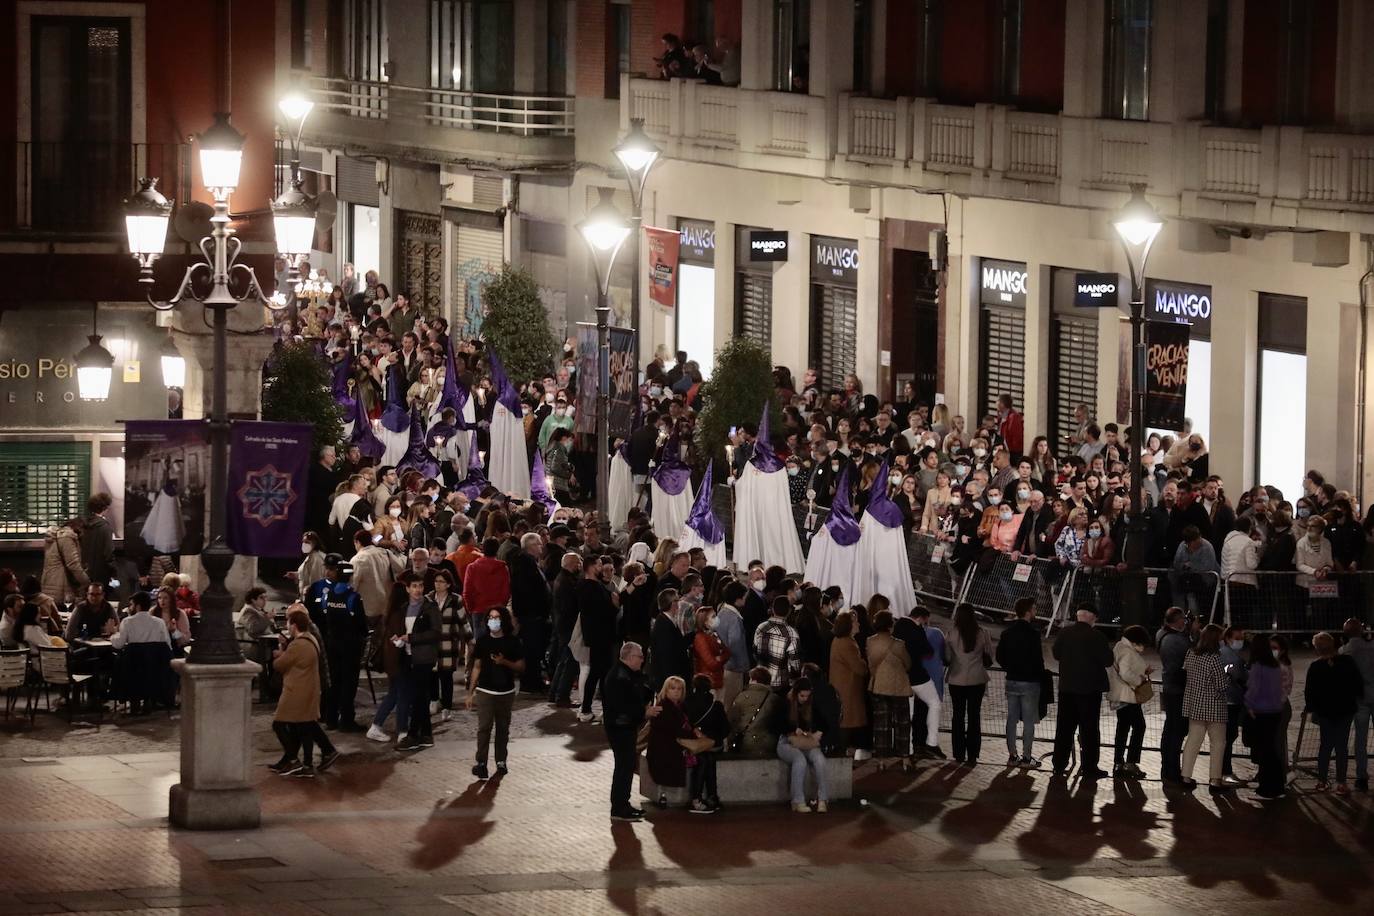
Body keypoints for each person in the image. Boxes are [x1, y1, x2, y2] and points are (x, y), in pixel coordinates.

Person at [270, 609, 340, 778]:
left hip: (297, 691)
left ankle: (295, 760)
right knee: (303, 725)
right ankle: (302, 762)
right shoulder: (311, 639)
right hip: (309, 688)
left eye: (288, 623)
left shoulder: (299, 644)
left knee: (279, 724)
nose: (287, 626)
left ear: (294, 625)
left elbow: (279, 665)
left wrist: (280, 653)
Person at [1050, 608, 1113, 778]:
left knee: (1064, 728)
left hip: (1067, 688)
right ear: (1093, 618)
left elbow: (1056, 654)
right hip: (1090, 690)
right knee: (1090, 730)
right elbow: (1108, 660)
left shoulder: (1065, 633)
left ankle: (1059, 764)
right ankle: (1089, 766)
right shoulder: (1097, 636)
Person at [310, 555, 368, 732]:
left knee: (334, 681)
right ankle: (347, 721)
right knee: (348, 684)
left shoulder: (329, 596)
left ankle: (331, 719)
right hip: (350, 646)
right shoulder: (353, 598)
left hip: (332, 644)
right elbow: (362, 626)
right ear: (350, 576)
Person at [467, 605, 525, 779]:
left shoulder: (513, 642)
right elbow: (477, 667)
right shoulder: (483, 641)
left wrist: (504, 662)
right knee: (484, 727)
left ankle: (501, 761)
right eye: (490, 618)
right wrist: (470, 692)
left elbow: (521, 666)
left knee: (502, 728)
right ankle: (481, 763)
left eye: (497, 617)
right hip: (485, 690)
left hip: (506, 692)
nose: (493, 621)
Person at [1305, 631, 1364, 795]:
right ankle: (1341, 783)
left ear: (1317, 649)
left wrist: (1312, 709)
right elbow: (1358, 684)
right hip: (1345, 710)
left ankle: (1322, 781)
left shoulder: (1315, 667)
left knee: (1325, 746)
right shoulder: (1347, 662)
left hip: (1325, 712)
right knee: (1341, 747)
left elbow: (1309, 692)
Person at [604, 641, 657, 820]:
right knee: (624, 766)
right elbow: (622, 706)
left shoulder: (628, 674)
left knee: (626, 766)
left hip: (625, 726)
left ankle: (623, 804)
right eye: (640, 657)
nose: (643, 660)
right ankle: (619, 808)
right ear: (630, 657)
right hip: (620, 728)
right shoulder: (619, 677)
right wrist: (644, 712)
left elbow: (638, 693)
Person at [1180, 624, 1231, 793]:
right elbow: (1221, 685)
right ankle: (1215, 780)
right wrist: (1228, 677)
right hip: (1214, 706)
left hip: (1195, 704)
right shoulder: (1214, 658)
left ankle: (1185, 776)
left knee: (1193, 741)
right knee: (1218, 743)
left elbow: (1186, 673)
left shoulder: (1191, 653)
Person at [995, 597, 1043, 767]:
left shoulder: (1007, 633)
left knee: (1011, 719)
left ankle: (1012, 754)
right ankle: (1027, 757)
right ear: (1028, 611)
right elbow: (1038, 660)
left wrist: (1010, 667)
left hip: (1012, 680)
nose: (1036, 612)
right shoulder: (1033, 634)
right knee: (1029, 721)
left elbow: (999, 656)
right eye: (1034, 609)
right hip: (1029, 681)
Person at [395, 575, 441, 752]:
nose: (418, 590)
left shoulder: (430, 607)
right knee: (420, 697)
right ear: (407, 589)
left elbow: (436, 632)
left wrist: (412, 638)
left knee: (418, 695)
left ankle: (414, 734)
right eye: (414, 586)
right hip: (408, 657)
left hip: (424, 658)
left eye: (420, 586)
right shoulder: (405, 608)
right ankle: (426, 734)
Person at [774, 677, 833, 812]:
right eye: (802, 696)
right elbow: (776, 725)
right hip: (787, 741)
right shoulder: (785, 703)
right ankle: (797, 801)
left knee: (819, 759)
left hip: (805, 741)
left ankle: (823, 799)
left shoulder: (811, 705)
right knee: (799, 760)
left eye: (807, 696)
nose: (804, 699)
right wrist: (793, 730)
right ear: (796, 693)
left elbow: (825, 723)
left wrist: (819, 732)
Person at [944, 604, 991, 766]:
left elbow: (947, 658)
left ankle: (958, 753)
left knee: (957, 716)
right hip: (977, 680)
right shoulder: (982, 633)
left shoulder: (951, 634)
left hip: (956, 680)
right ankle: (972, 754)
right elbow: (989, 657)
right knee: (974, 716)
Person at [576, 554, 621, 724]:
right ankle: (593, 709)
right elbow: (602, 611)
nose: (602, 568)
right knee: (599, 673)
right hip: (599, 637)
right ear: (591, 566)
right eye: (600, 564)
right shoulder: (590, 587)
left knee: (598, 673)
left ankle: (589, 709)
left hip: (600, 636)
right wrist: (614, 606)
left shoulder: (594, 586)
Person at [866, 609, 912, 768]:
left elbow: (871, 664)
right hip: (898, 688)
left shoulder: (870, 642)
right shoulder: (899, 644)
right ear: (890, 624)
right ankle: (905, 757)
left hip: (878, 686)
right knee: (902, 723)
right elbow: (908, 664)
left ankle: (881, 760)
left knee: (882, 725)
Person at [1244, 634, 1287, 800]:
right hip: (1275, 711)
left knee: (1264, 752)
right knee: (1272, 751)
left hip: (1261, 712)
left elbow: (1253, 689)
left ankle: (1267, 789)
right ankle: (1277, 786)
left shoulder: (1257, 666)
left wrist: (1248, 704)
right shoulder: (1275, 665)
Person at [1107, 625, 1153, 779]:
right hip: (1128, 695)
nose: (1143, 648)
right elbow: (1125, 673)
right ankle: (1131, 762)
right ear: (1136, 641)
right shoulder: (1127, 651)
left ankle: (1118, 763)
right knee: (1139, 726)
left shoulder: (1119, 647)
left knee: (1123, 729)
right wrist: (1140, 680)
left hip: (1120, 695)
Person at [1156, 607, 1190, 783]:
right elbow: (1186, 662)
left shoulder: (1161, 634)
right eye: (1183, 618)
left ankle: (1167, 768)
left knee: (1170, 730)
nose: (1185, 621)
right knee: (1176, 732)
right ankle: (1172, 770)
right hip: (1178, 690)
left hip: (1170, 688)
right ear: (1177, 620)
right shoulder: (1177, 640)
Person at [1340, 618, 1374, 791]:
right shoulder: (1372, 647)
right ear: (1362, 630)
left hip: (1359, 699)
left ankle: (1362, 777)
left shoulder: (1344, 651)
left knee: (1360, 739)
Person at [828, 611, 868, 756]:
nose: (858, 624)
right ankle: (841, 756)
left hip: (843, 687)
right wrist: (864, 661)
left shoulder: (839, 641)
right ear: (849, 625)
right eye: (856, 622)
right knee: (846, 724)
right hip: (847, 690)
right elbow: (860, 668)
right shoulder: (847, 644)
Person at [431, 570, 466, 718]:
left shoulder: (455, 600)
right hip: (432, 645)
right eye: (436, 581)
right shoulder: (429, 599)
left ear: (448, 584)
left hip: (449, 644)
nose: (438, 584)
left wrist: (470, 640)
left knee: (446, 677)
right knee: (432, 675)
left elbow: (463, 621)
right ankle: (433, 700)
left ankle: (447, 707)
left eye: (441, 582)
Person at [727, 666, 782, 757]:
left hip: (747, 742)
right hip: (770, 743)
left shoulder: (741, 697)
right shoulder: (775, 699)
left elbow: (732, 721)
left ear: (754, 680)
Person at [753, 596, 801, 689]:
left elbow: (755, 651)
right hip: (780, 684)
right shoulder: (791, 633)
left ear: (773, 609)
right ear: (789, 611)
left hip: (760, 680)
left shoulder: (761, 627)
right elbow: (794, 663)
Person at [462, 538, 511, 626]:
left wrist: (471, 609)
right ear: (497, 550)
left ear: (483, 549)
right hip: (497, 611)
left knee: (480, 639)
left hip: (478, 610)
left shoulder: (472, 567)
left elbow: (467, 592)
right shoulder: (503, 568)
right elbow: (506, 592)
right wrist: (501, 607)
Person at [41, 517, 89, 605]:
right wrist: (87, 582)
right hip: (61, 585)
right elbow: (73, 564)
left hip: (50, 582)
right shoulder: (67, 537)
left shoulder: (56, 536)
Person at [691, 605, 731, 697]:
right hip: (708, 683)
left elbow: (728, 653)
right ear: (705, 622)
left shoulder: (713, 635)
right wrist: (720, 658)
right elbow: (712, 664)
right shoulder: (700, 638)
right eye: (713, 617)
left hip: (718, 680)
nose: (716, 619)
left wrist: (720, 658)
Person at [80, 493, 116, 588]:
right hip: (101, 572)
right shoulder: (104, 526)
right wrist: (113, 571)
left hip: (83, 571)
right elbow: (108, 551)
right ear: (105, 508)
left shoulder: (82, 525)